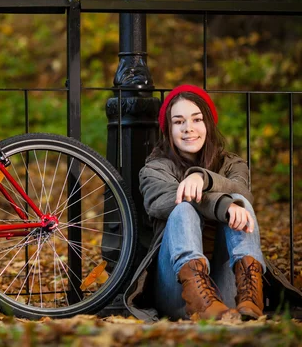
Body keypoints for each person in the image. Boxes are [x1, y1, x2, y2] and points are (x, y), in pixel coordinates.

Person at [123, 84, 302, 322]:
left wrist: (202, 178)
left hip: (228, 293)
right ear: (168, 130)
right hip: (177, 294)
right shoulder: (154, 170)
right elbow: (162, 203)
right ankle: (199, 297)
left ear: (208, 123)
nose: (188, 129)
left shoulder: (232, 165)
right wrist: (222, 205)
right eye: (178, 122)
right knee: (184, 207)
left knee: (239, 201)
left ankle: (251, 292)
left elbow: (244, 195)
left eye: (197, 119)